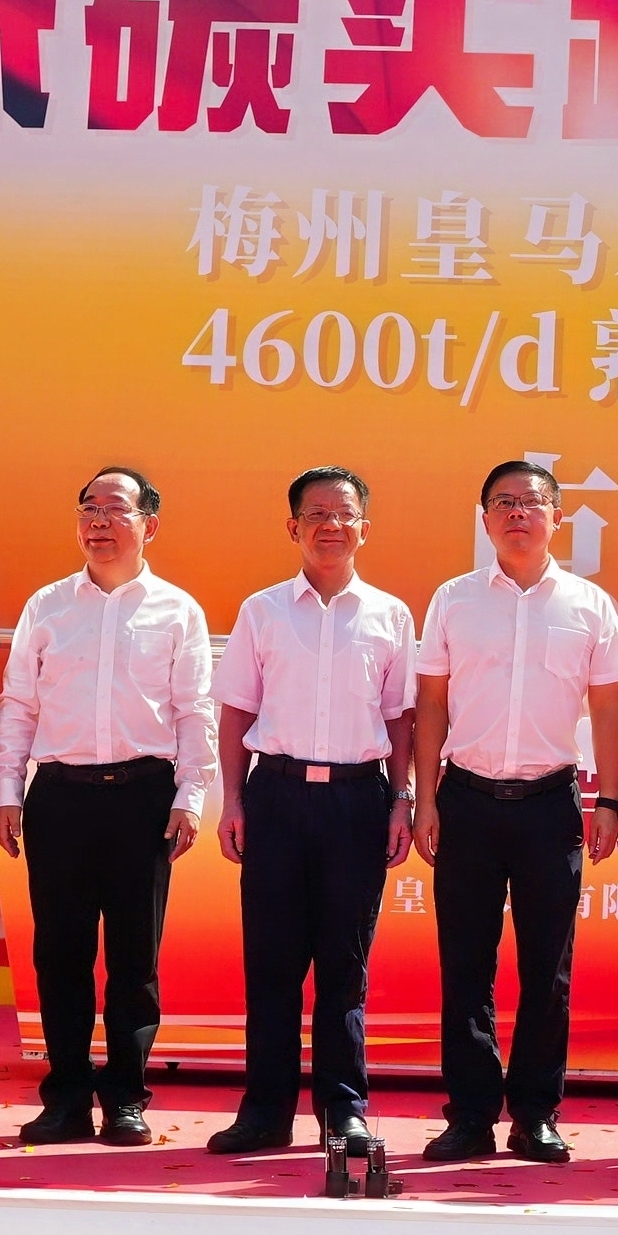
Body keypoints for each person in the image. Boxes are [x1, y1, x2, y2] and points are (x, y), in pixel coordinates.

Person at [411, 460, 618, 1164]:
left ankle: (536, 1114)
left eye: (531, 502)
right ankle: (470, 1114)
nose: (517, 514)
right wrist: (423, 797)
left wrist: (608, 799)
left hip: (549, 804)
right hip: (467, 799)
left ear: (556, 517)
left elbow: (607, 707)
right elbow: (432, 702)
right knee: (465, 965)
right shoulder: (454, 599)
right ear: (484, 519)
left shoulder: (589, 604)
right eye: (502, 503)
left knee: (548, 969)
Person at [0, 466, 211, 1150]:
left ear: (149, 524)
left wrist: (190, 796)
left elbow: (194, 710)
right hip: (59, 796)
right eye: (89, 507)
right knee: (60, 955)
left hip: (143, 797)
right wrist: (7, 789)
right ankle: (65, 1099)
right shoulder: (48, 605)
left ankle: (125, 1100)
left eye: (116, 508)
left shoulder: (177, 610)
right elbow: (18, 704)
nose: (99, 521)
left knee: (134, 958)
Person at [209, 465, 418, 1156]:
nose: (331, 525)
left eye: (344, 513)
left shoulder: (390, 614)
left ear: (365, 527)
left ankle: (343, 1109)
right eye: (316, 513)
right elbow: (237, 709)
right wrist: (232, 798)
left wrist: (401, 799)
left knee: (343, 965)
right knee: (271, 964)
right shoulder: (262, 610)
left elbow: (400, 718)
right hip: (276, 795)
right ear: (292, 526)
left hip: (358, 801)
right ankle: (264, 1111)